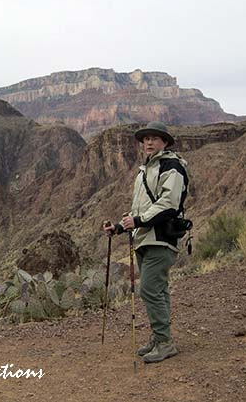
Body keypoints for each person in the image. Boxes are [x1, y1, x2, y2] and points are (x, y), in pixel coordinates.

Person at [103, 121, 189, 363]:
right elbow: (139, 209)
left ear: (165, 142)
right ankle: (159, 337)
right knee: (158, 290)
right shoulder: (145, 171)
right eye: (146, 139)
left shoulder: (171, 167)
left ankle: (164, 342)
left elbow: (168, 204)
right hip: (144, 239)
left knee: (149, 289)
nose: (149, 142)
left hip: (161, 239)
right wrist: (120, 227)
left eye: (155, 138)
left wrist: (138, 220)